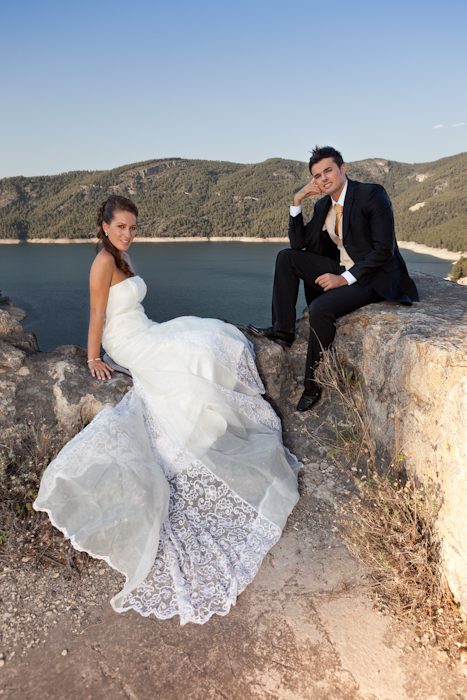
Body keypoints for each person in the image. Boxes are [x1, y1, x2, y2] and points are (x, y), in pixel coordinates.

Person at [34, 195, 300, 625]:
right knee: (192, 360)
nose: (128, 234)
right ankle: (203, 432)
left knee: (213, 336)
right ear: (105, 226)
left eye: (133, 227)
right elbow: (97, 312)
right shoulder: (102, 262)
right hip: (127, 341)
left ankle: (213, 419)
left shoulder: (122, 257)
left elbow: (129, 304)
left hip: (145, 328)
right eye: (121, 227)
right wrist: (93, 357)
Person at [248, 146, 419, 412]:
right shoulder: (323, 205)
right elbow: (299, 244)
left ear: (343, 169)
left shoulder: (371, 194)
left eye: (328, 170)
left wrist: (344, 279)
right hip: (342, 266)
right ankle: (283, 331)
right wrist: (297, 200)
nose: (323, 178)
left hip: (374, 275)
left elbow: (383, 251)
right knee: (286, 258)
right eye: (317, 175)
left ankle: (313, 384)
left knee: (320, 309)